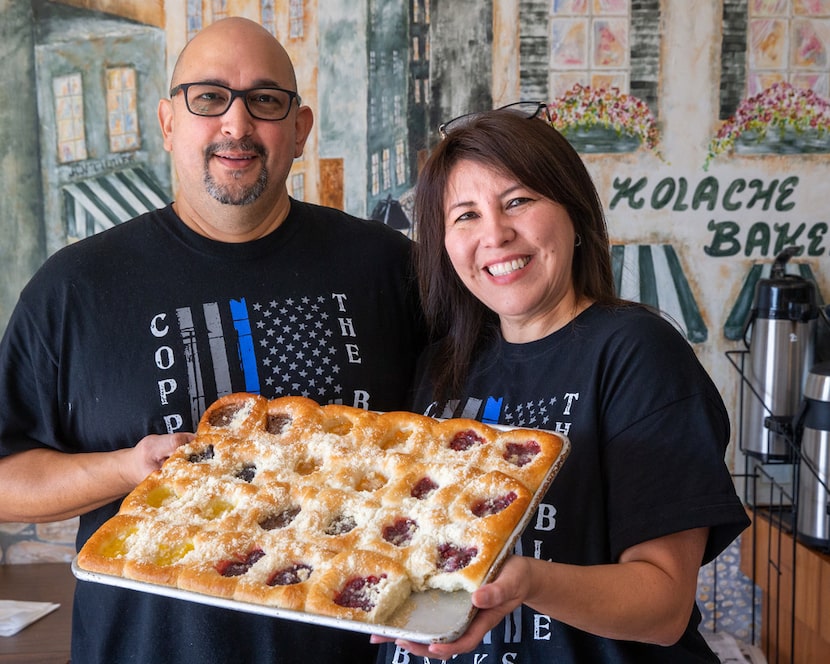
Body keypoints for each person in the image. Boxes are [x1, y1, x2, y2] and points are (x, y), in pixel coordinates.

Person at [0, 17, 424, 664]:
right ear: (168, 123)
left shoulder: (389, 267)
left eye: (265, 100)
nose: (236, 123)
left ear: (300, 129)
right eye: (208, 98)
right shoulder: (76, 289)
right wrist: (129, 469)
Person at [372, 106, 750, 663]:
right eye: (465, 215)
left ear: (573, 214)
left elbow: (664, 605)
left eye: (518, 201)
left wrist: (529, 582)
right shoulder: (439, 367)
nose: (496, 234)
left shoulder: (636, 354)